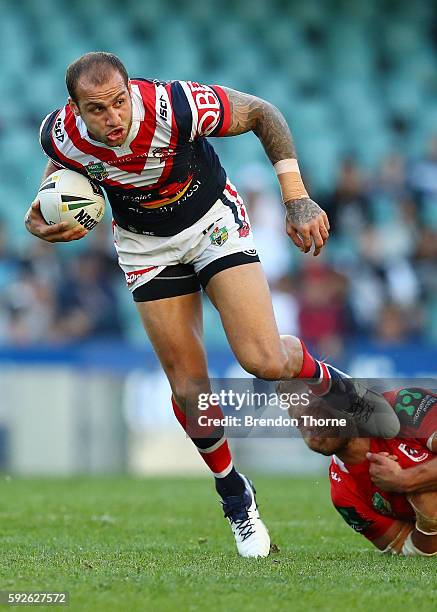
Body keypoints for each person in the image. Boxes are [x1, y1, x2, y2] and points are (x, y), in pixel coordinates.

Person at [24, 52, 398, 558]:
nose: (113, 118)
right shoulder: (59, 134)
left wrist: (296, 198)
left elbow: (265, 113)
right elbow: (61, 167)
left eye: (119, 102)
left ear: (131, 89)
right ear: (75, 110)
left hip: (211, 225)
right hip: (145, 245)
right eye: (97, 110)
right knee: (189, 390)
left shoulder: (176, 105)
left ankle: (340, 388)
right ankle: (236, 497)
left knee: (263, 359)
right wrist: (43, 210)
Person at [290, 385, 437, 556]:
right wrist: (429, 524)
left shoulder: (406, 404)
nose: (310, 427)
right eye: (300, 421)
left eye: (317, 413)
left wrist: (404, 480)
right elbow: (405, 549)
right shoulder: (343, 496)